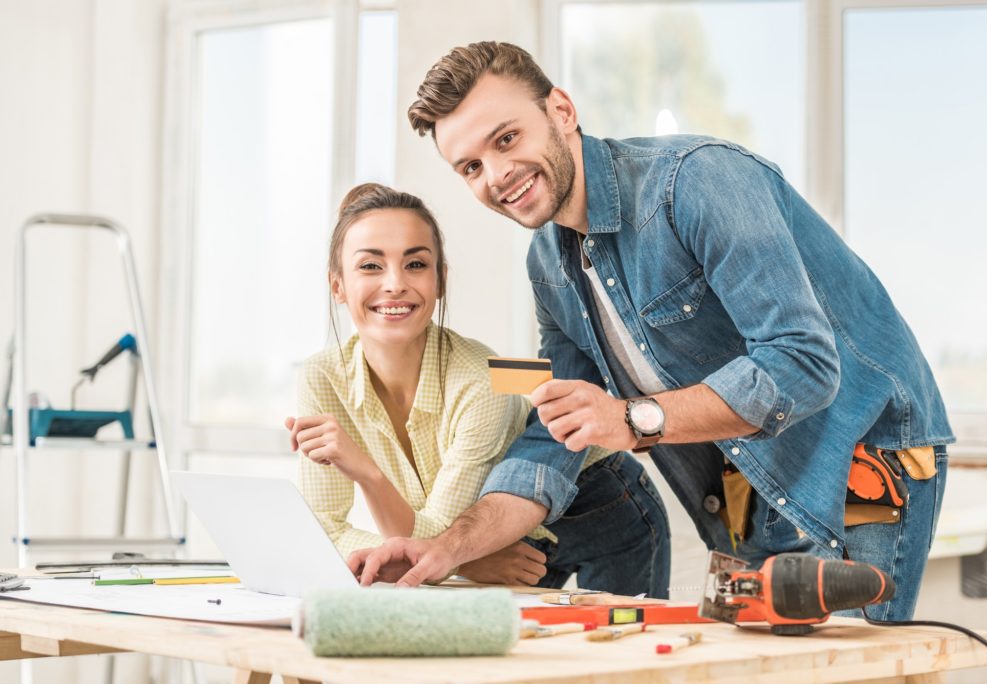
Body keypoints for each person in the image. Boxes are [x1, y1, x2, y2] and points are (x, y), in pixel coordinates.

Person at [348, 42, 952, 621]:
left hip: (859, 455)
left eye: (506, 139)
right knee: (756, 669)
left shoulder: (696, 182)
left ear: (561, 111)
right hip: (740, 487)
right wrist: (448, 549)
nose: (497, 175)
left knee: (849, 665)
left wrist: (632, 418)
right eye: (471, 167)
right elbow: (556, 437)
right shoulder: (549, 264)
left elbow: (802, 364)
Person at [286, 182, 670, 596]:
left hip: (602, 510)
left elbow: (430, 546)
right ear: (338, 285)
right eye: (370, 266)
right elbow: (324, 530)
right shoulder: (320, 377)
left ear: (441, 280)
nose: (395, 283)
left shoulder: (482, 378)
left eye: (415, 264)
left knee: (611, 650)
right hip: (479, 537)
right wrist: (471, 559)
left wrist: (367, 473)